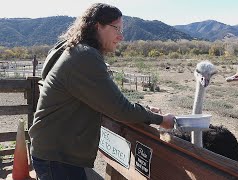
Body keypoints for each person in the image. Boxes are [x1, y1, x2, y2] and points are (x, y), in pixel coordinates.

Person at [28, 3, 175, 180]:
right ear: (98, 26)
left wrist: (143, 109)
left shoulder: (71, 48)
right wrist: (160, 120)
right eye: (117, 29)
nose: (121, 36)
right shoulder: (84, 56)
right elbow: (119, 109)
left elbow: (107, 97)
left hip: (52, 151)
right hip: (58, 158)